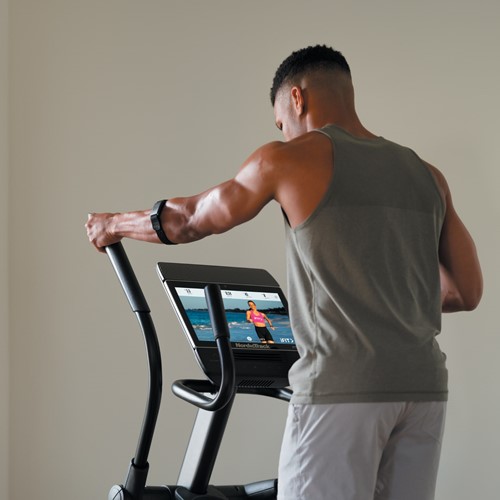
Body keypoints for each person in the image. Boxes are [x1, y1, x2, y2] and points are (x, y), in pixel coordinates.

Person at [86, 45, 483, 500]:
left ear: (297, 98)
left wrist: (113, 225)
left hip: (341, 389)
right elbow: (466, 291)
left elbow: (190, 219)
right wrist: (383, 296)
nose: (283, 132)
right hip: (423, 390)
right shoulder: (428, 176)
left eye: (280, 122)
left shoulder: (286, 159)